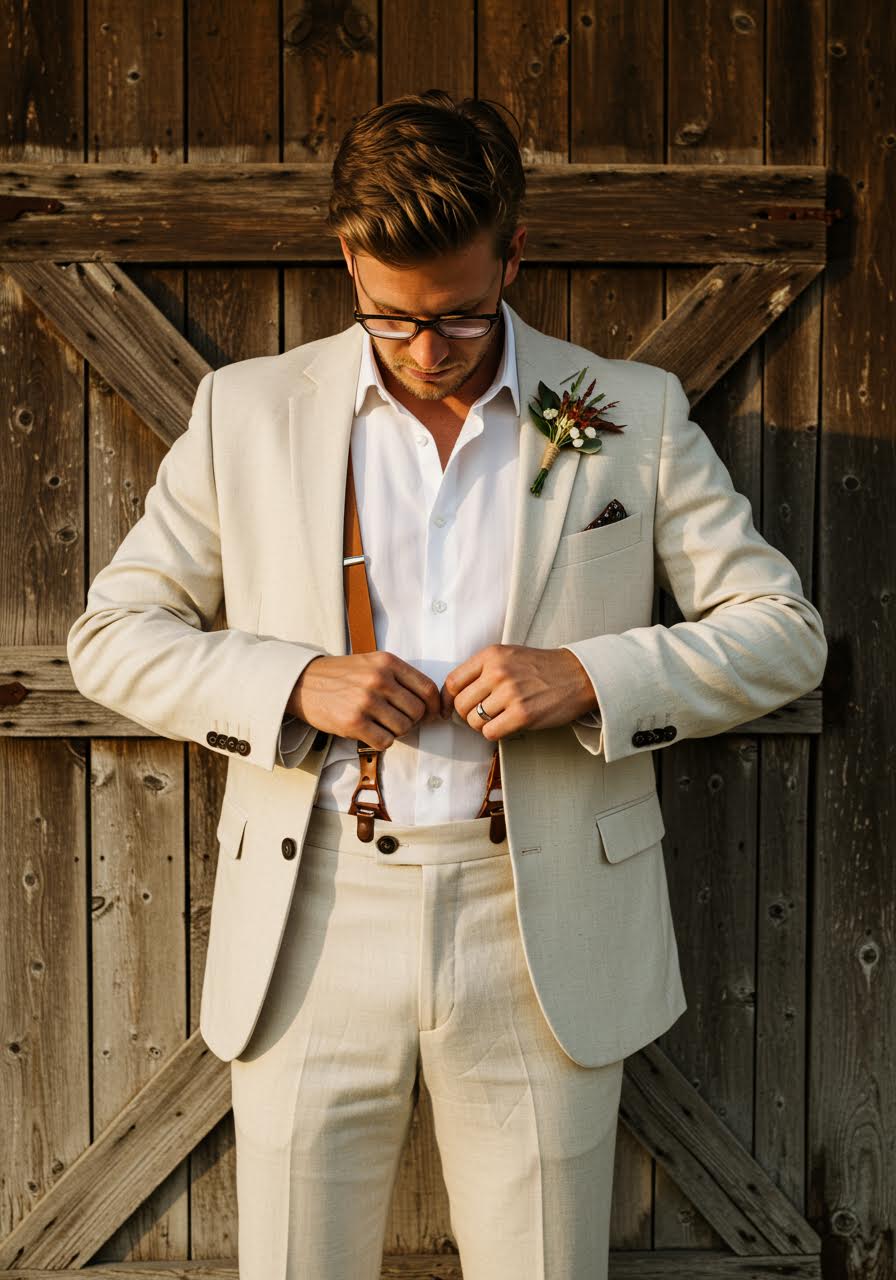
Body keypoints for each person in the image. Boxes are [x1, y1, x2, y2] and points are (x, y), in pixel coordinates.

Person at [66, 89, 828, 1280]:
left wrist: (588, 672)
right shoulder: (247, 411)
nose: (427, 352)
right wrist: (293, 680)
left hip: (541, 923)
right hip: (310, 917)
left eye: (464, 318)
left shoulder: (626, 413)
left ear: (513, 254)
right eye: (390, 319)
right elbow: (109, 635)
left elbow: (783, 632)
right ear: (346, 260)